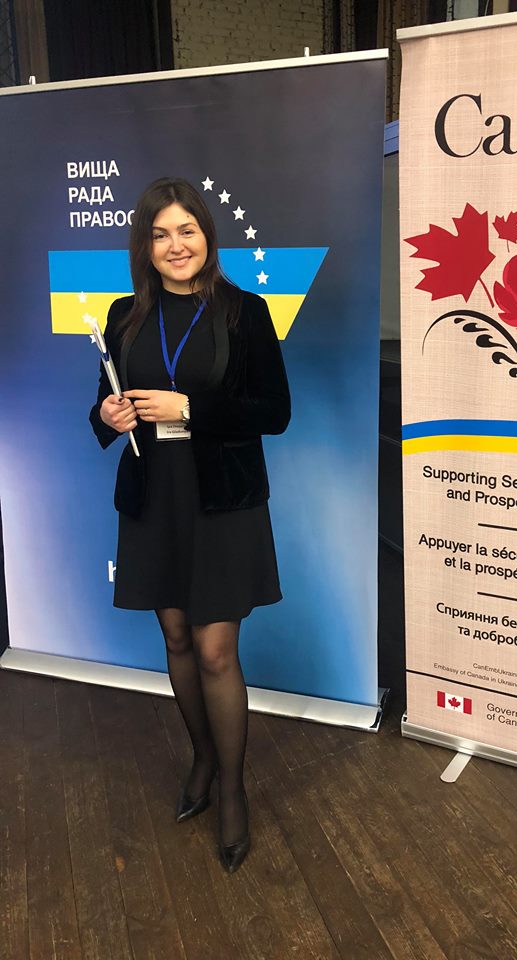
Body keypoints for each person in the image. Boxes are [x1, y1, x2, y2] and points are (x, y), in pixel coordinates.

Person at [89, 177, 290, 872]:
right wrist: (107, 416)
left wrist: (191, 409)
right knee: (175, 634)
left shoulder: (245, 311)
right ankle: (202, 759)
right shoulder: (125, 313)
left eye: (187, 230)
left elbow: (274, 412)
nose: (175, 245)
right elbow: (106, 401)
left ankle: (231, 788)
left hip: (221, 501)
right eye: (160, 234)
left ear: (207, 235)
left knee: (214, 651)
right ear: (145, 246)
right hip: (155, 498)